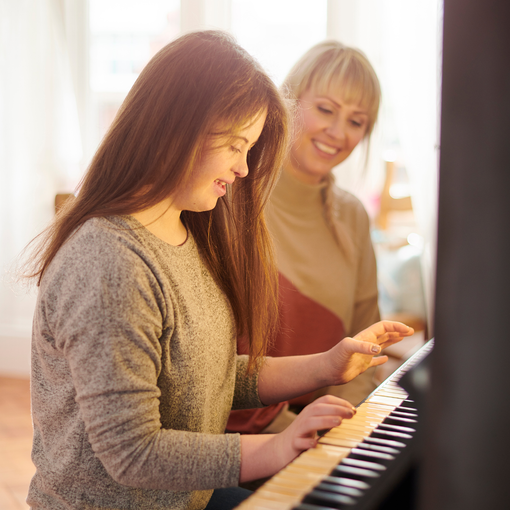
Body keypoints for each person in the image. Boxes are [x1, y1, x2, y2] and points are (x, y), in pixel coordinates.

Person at [23, 31, 413, 510]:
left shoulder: (183, 232)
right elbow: (132, 452)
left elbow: (211, 374)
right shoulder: (110, 262)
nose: (246, 168)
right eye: (235, 145)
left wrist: (325, 364)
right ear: (177, 128)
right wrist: (275, 447)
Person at [227, 40, 384, 436]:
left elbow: (367, 341)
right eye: (326, 110)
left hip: (324, 433)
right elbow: (216, 363)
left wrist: (342, 427)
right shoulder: (231, 192)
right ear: (288, 101)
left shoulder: (352, 215)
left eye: (356, 121)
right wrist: (296, 437)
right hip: (240, 438)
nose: (337, 132)